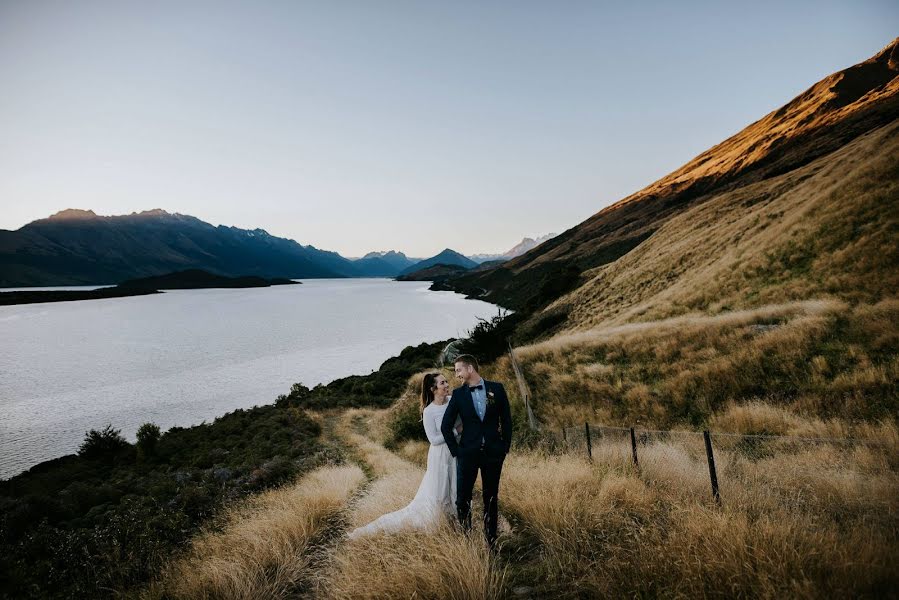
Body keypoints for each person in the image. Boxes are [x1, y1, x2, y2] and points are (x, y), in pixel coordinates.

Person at [347, 372, 461, 539]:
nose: (446, 385)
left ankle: (456, 524)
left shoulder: (452, 401)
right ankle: (438, 526)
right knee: (440, 491)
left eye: (446, 382)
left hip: (455, 452)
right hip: (440, 455)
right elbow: (434, 440)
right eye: (442, 383)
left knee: (456, 488)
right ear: (433, 389)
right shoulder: (429, 411)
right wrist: (455, 431)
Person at [440, 354, 512, 549]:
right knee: (462, 499)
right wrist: (457, 452)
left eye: (458, 370)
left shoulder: (497, 389)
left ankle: (491, 541)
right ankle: (467, 540)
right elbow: (446, 426)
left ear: (470, 369)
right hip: (467, 454)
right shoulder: (458, 395)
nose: (457, 375)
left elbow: (506, 420)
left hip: (493, 454)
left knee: (491, 498)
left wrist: (504, 447)